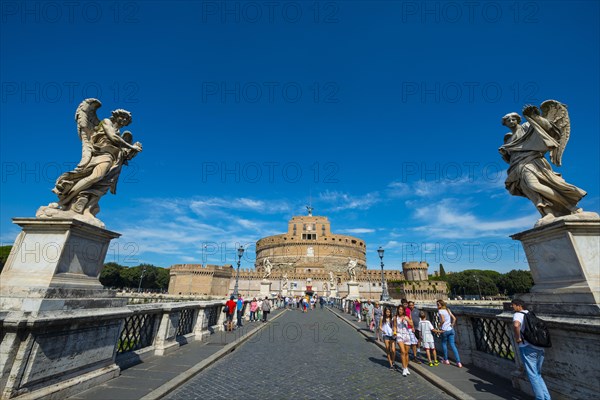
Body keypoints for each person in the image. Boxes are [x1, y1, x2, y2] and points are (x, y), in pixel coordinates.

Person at [499, 102, 586, 223]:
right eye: (508, 120)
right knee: (532, 192)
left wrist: (535, 117)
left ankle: (571, 206)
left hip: (532, 161)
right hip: (516, 167)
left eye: (513, 119)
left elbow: (549, 129)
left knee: (534, 185)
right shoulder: (508, 138)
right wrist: (505, 154)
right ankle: (548, 213)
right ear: (505, 123)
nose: (511, 121)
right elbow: (510, 158)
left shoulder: (526, 126)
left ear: (518, 120)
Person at [511, 299, 551, 400]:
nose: (512, 307)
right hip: (539, 347)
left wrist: (518, 338)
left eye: (513, 305)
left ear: (519, 306)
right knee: (538, 374)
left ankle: (540, 398)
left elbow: (516, 325)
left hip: (527, 347)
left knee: (533, 376)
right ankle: (547, 398)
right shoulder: (530, 314)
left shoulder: (518, 314)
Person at [437, 299, 462, 368]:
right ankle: (458, 362)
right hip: (451, 330)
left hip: (444, 330)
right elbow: (454, 318)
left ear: (441, 305)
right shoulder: (448, 310)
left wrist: (439, 326)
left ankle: (446, 360)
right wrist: (452, 325)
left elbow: (443, 320)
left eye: (438, 304)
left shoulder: (440, 311)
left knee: (444, 344)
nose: (437, 306)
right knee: (453, 346)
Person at [395, 306, 413, 376]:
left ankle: (406, 367)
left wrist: (407, 320)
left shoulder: (406, 317)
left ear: (403, 311)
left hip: (406, 335)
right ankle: (404, 368)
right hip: (399, 335)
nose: (400, 311)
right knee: (402, 351)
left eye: (402, 310)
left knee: (406, 353)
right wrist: (394, 332)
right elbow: (394, 326)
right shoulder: (395, 318)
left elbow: (411, 324)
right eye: (399, 309)